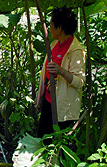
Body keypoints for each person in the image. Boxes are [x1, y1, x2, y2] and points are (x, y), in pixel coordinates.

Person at [35, 7, 86, 141]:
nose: (49, 29)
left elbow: (79, 82)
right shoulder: (54, 44)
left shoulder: (76, 52)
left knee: (55, 144)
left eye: (51, 25)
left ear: (60, 28)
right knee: (42, 139)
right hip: (48, 100)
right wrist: (40, 95)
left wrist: (61, 71)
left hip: (61, 108)